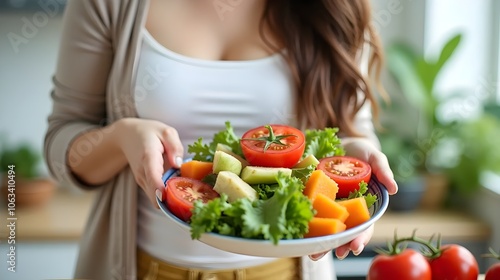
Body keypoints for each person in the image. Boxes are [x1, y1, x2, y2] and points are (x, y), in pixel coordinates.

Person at [44, 0, 398, 279]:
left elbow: (351, 132)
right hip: (144, 270)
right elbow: (61, 143)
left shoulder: (334, 6)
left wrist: (360, 156)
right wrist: (122, 137)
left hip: (286, 273)